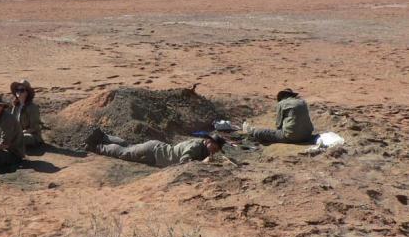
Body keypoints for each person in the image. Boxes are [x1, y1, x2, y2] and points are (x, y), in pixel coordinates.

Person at [84, 127, 226, 167]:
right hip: (154, 153)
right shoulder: (196, 147)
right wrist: (203, 163)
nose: (215, 151)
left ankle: (103, 136)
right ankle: (97, 146)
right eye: (215, 147)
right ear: (208, 142)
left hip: (156, 148)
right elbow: (184, 161)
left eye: (217, 150)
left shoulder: (201, 147)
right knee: (125, 152)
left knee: (129, 146)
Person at [244, 88, 314, 143]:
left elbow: (278, 125)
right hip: (307, 136)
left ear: (282, 96)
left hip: (292, 137)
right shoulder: (302, 102)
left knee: (263, 133)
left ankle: (252, 131)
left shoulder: (281, 103)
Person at [10, 79, 44, 147]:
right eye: (17, 90)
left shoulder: (32, 108)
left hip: (32, 136)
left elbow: (35, 128)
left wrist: (20, 133)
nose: (19, 92)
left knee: (24, 138)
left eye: (22, 90)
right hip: (18, 134)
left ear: (27, 93)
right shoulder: (15, 107)